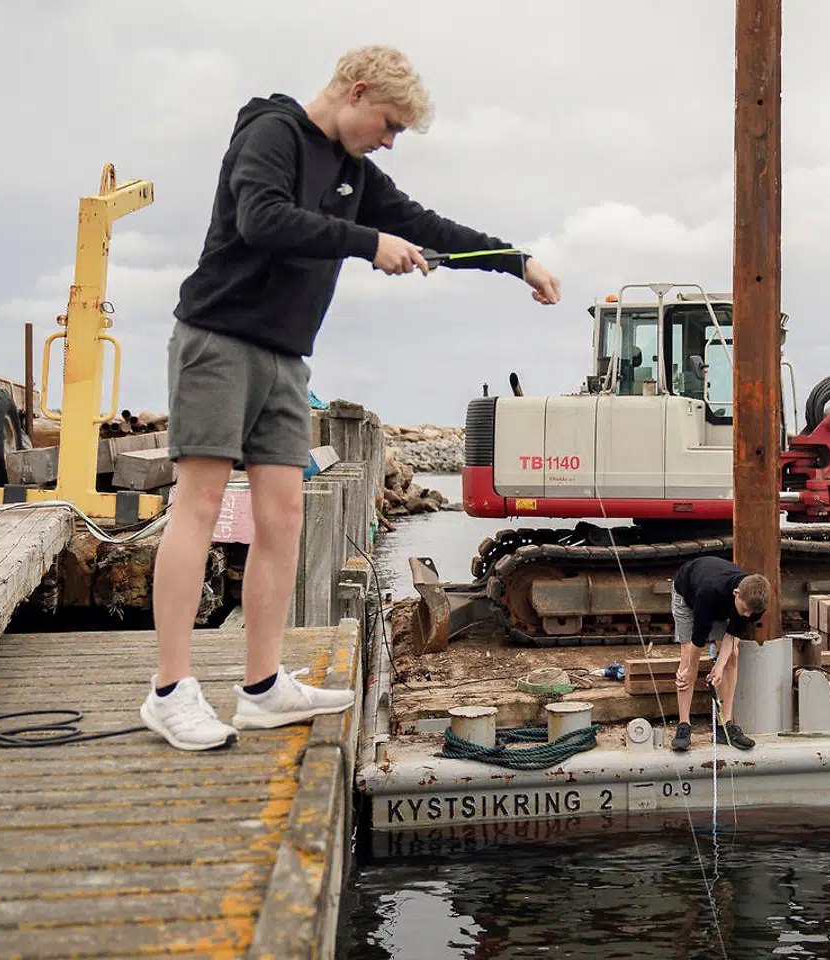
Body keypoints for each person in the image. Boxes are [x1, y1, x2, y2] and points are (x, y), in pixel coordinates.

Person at [140, 45, 561, 751]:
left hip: (285, 355)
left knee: (282, 517)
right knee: (201, 505)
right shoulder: (271, 132)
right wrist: (368, 244)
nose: (390, 140)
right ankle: (170, 689)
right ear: (356, 91)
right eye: (389, 123)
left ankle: (261, 685)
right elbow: (263, 220)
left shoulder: (355, 173)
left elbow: (430, 227)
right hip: (217, 339)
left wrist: (516, 261)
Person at [669, 556, 771, 752]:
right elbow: (698, 639)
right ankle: (684, 725)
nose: (748, 616)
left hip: (722, 605)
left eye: (752, 613)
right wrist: (691, 671)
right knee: (688, 653)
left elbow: (733, 633)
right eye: (745, 610)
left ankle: (724, 726)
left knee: (732, 654)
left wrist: (719, 667)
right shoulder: (708, 592)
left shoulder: (753, 604)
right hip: (688, 594)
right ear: (736, 593)